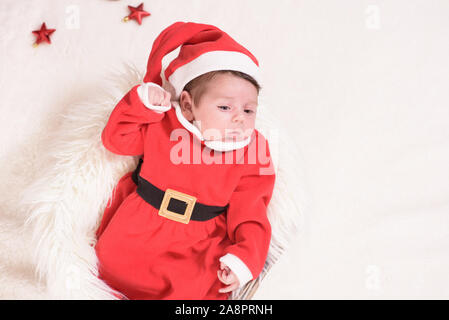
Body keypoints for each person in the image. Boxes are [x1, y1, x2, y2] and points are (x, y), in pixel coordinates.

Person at [95, 21, 276, 300]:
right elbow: (116, 141)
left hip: (200, 245)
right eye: (225, 107)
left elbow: (252, 213)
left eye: (249, 109)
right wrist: (140, 105)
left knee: (196, 291)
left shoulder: (253, 150)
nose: (240, 117)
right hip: (139, 227)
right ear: (189, 105)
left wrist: (244, 258)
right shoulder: (163, 122)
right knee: (108, 272)